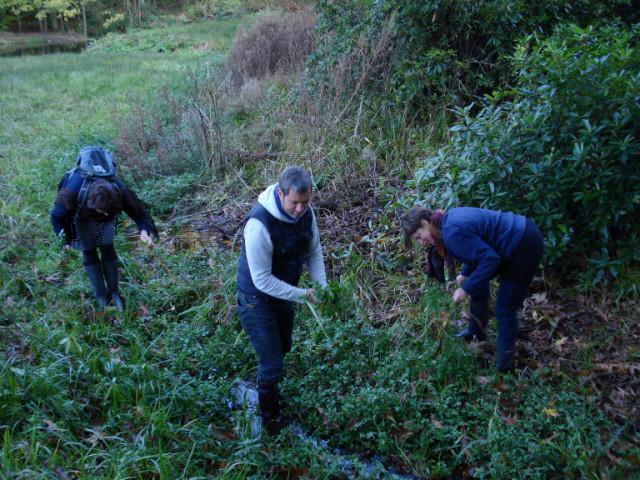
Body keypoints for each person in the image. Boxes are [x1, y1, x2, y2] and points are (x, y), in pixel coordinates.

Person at [236, 166, 327, 434]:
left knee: (284, 346)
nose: (300, 209)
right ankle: (270, 420)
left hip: (284, 293)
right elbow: (262, 280)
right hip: (256, 298)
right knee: (272, 360)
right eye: (294, 202)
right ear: (280, 193)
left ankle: (268, 386)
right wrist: (303, 295)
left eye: (305, 202)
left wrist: (322, 287)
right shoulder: (259, 224)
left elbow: (314, 252)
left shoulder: (307, 215)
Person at [401, 206, 543, 373]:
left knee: (505, 310)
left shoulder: (451, 233)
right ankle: (476, 333)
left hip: (523, 244)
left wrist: (465, 289)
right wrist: (464, 275)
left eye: (419, 236)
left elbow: (490, 259)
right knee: (477, 285)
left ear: (425, 223)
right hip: (519, 236)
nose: (421, 242)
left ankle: (505, 370)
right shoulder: (446, 222)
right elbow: (476, 250)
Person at [51, 146, 158, 311]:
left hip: (107, 223)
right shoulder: (74, 190)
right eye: (103, 211)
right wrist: (64, 240)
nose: (106, 212)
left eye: (109, 210)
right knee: (89, 251)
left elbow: (138, 211)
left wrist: (144, 231)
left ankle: (114, 293)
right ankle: (100, 295)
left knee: (108, 249)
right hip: (82, 220)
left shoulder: (118, 189)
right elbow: (56, 216)